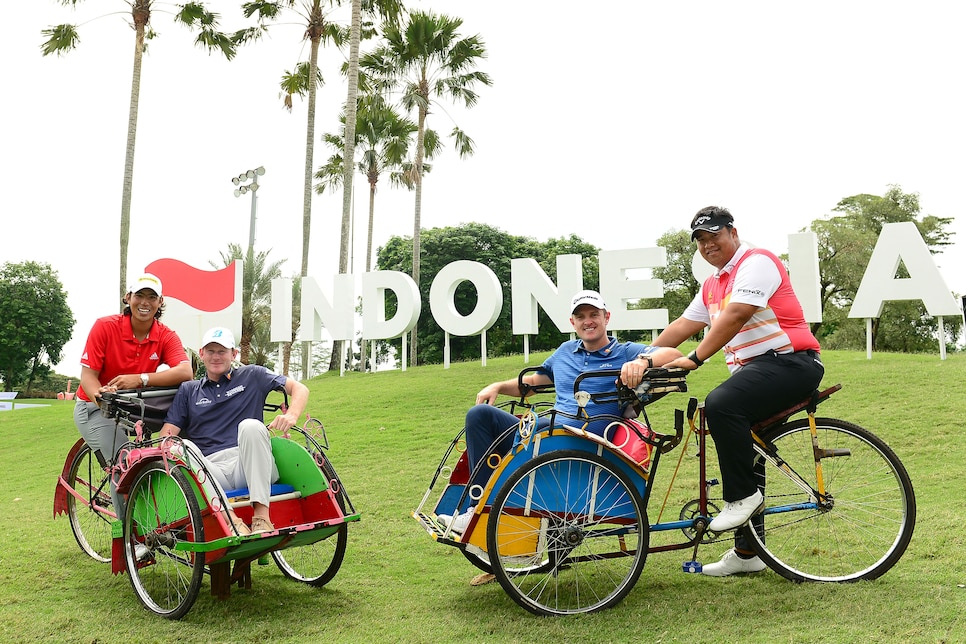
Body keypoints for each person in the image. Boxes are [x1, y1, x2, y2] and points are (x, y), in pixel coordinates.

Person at [653, 206, 825, 577]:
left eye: (713, 235)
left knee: (721, 403)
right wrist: (644, 359)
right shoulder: (713, 283)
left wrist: (695, 359)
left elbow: (736, 315)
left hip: (791, 363)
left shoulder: (757, 262)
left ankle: (741, 498)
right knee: (744, 448)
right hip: (759, 371)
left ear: (733, 232)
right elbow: (684, 323)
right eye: (700, 239)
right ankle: (748, 553)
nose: (707, 244)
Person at [437, 290, 683, 533]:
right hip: (550, 428)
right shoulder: (565, 351)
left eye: (594, 314)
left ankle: (489, 516)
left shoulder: (624, 352)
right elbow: (534, 383)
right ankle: (475, 508)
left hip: (584, 434)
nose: (588, 321)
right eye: (581, 316)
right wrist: (498, 386)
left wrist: (642, 362)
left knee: (535, 427)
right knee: (479, 415)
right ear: (572, 322)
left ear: (606, 317)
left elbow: (674, 354)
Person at [159, 327, 309, 535]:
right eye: (211, 351)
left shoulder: (252, 375)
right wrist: (167, 445)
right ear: (201, 354)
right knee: (180, 445)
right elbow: (167, 434)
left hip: (249, 463)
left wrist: (291, 415)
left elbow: (300, 389)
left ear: (234, 354)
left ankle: (262, 518)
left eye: (222, 351)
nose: (216, 357)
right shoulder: (189, 390)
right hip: (211, 470)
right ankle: (232, 520)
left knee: (251, 426)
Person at [73, 273, 194, 525]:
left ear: (160, 302)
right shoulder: (105, 326)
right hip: (94, 408)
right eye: (139, 295)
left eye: (152, 297)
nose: (145, 302)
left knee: (181, 448)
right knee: (124, 462)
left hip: (136, 408)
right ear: (128, 298)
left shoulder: (165, 334)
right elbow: (88, 377)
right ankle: (133, 535)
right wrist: (103, 399)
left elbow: (185, 372)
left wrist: (140, 379)